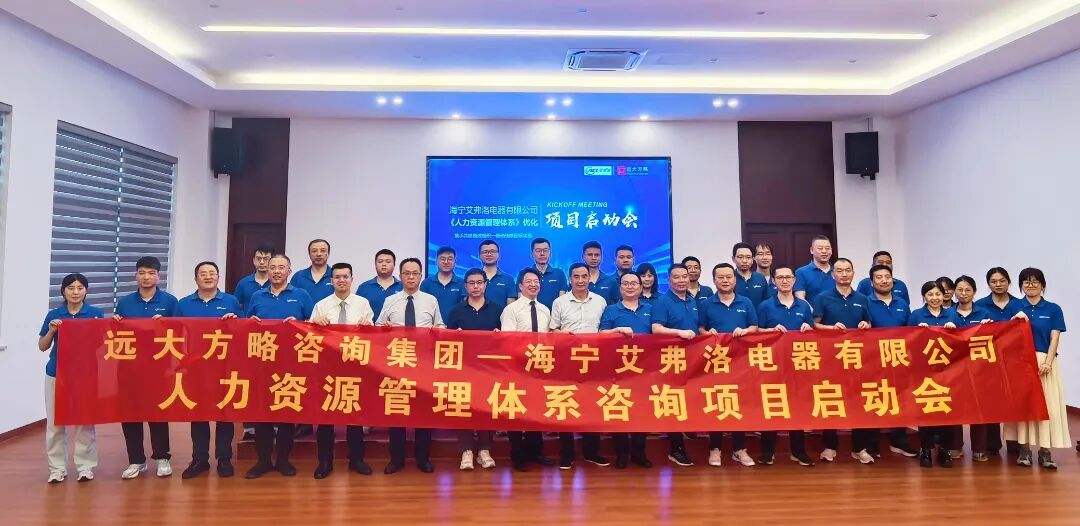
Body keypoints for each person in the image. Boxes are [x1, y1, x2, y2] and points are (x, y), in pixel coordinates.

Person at [244, 254, 314, 479]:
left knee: (286, 413)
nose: (276, 271)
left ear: (289, 271)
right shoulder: (257, 296)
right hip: (262, 363)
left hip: (291, 364)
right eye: (272, 267)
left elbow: (313, 326)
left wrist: (299, 325)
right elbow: (246, 326)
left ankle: (283, 460)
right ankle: (263, 461)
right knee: (262, 415)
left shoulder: (301, 295)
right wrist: (250, 323)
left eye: (281, 267)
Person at [175, 262, 242, 479]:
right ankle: (199, 459)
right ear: (196, 279)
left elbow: (243, 332)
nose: (208, 277)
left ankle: (224, 458)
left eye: (212, 273)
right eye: (203, 274)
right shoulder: (184, 304)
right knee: (198, 413)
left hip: (224, 365)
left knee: (224, 412)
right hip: (194, 367)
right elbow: (173, 333)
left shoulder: (231, 301)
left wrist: (235, 321)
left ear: (218, 277)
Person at [378, 258, 445, 474]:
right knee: (397, 410)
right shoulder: (390, 300)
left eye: (415, 273)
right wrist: (384, 327)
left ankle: (422, 458)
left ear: (421, 276)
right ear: (400, 275)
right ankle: (396, 459)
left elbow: (440, 326)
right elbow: (377, 326)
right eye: (406, 273)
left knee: (423, 413)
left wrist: (438, 330)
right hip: (397, 362)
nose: (410, 277)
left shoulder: (431, 300)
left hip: (423, 364)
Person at [113, 256, 178, 479]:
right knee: (130, 412)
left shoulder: (170, 301)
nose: (146, 277)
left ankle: (162, 457)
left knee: (157, 412)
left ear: (158, 276)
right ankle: (136, 460)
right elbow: (116, 334)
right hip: (129, 366)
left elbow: (180, 332)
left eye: (151, 273)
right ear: (136, 276)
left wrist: (166, 325)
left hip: (158, 366)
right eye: (142, 273)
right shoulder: (125, 303)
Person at [309, 262, 375, 479]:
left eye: (346, 276)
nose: (342, 280)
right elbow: (309, 334)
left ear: (352, 279)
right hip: (328, 369)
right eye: (337, 277)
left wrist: (369, 326)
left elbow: (373, 335)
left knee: (354, 417)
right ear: (331, 281)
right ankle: (324, 462)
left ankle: (357, 460)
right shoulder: (321, 305)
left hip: (354, 368)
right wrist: (314, 322)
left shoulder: (363, 304)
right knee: (326, 419)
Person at [39, 273, 103, 483]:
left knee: (85, 422)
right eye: (71, 288)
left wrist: (99, 330)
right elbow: (42, 346)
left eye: (80, 288)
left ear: (86, 290)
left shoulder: (95, 314)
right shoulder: (54, 314)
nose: (75, 292)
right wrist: (51, 331)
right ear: (63, 291)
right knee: (55, 423)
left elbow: (103, 346)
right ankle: (57, 468)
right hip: (56, 374)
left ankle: (85, 466)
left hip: (85, 375)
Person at [811, 258, 875, 465]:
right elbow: (814, 325)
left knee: (859, 401)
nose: (844, 274)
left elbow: (870, 323)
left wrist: (866, 325)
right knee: (831, 399)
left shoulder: (863, 298)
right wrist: (830, 328)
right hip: (831, 358)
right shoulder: (823, 297)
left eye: (848, 270)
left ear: (853, 273)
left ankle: (859, 448)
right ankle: (829, 446)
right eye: (839, 271)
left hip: (856, 358)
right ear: (833, 275)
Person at [1005, 268, 1070, 469]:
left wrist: (1048, 362)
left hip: (1044, 362)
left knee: (1047, 406)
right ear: (1021, 286)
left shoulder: (1053, 309)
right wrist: (1014, 320)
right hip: (1020, 362)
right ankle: (1024, 450)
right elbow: (1005, 334)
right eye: (1026, 282)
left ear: (1042, 285)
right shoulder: (1014, 306)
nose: (1030, 285)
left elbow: (1054, 337)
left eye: (1035, 282)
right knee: (1024, 406)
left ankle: (1045, 452)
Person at [550, 262, 610, 469]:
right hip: (567, 360)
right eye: (576, 276)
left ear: (589, 278)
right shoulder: (559, 302)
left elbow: (604, 330)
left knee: (592, 405)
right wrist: (561, 334)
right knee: (566, 404)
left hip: (593, 360)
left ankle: (592, 452)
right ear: (570, 279)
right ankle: (567, 454)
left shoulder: (600, 301)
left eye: (584, 276)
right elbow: (552, 330)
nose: (581, 280)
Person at [698, 263, 759, 467]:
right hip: (716, 363)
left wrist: (746, 331)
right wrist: (707, 334)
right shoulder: (706, 304)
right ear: (714, 280)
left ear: (735, 279)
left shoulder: (746, 302)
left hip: (740, 363)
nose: (725, 281)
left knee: (738, 404)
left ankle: (739, 449)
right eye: (720, 277)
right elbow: (700, 328)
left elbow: (754, 326)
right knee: (716, 403)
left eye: (729, 277)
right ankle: (715, 448)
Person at [755, 265, 815, 467]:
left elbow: (813, 332)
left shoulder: (804, 306)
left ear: (794, 280)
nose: (785, 281)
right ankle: (767, 452)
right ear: (773, 281)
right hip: (772, 365)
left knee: (797, 407)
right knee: (771, 405)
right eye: (780, 277)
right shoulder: (765, 306)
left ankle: (798, 451)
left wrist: (809, 329)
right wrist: (769, 331)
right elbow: (757, 332)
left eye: (788, 277)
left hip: (797, 365)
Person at [446, 268, 504, 470]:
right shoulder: (456, 311)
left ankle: (484, 450)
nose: (476, 286)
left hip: (489, 368)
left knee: (486, 408)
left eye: (480, 282)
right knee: (464, 407)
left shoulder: (497, 310)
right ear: (465, 286)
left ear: (486, 284)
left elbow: (506, 341)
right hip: (464, 368)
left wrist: (499, 335)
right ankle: (467, 451)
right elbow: (447, 342)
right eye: (472, 283)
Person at [500, 268, 555, 471]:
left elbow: (548, 339)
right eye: (529, 281)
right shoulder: (511, 310)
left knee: (536, 409)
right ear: (520, 285)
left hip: (539, 366)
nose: (533, 284)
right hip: (517, 367)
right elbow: (507, 339)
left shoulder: (545, 309)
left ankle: (536, 451)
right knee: (517, 410)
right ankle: (518, 455)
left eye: (536, 281)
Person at [598, 270, 653, 469]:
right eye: (626, 284)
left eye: (634, 283)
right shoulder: (611, 310)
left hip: (644, 369)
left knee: (641, 411)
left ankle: (639, 453)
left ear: (640, 287)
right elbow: (601, 334)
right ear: (620, 288)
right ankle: (621, 454)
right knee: (619, 409)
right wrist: (616, 331)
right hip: (618, 369)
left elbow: (658, 332)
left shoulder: (650, 308)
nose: (630, 287)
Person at [863, 264, 919, 459]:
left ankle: (898, 441)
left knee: (899, 399)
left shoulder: (902, 303)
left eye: (887, 277)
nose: (884, 280)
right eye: (879, 277)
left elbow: (910, 330)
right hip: (873, 359)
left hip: (898, 358)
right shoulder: (865, 302)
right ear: (872, 282)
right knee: (874, 398)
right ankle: (871, 444)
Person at [974, 267, 1028, 455]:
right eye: (994, 281)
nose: (998, 284)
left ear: (1009, 282)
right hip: (988, 360)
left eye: (1002, 281)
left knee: (1015, 400)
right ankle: (992, 443)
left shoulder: (1019, 304)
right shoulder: (980, 306)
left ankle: (1015, 442)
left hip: (1015, 359)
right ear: (988, 284)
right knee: (991, 401)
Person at [650, 263, 700, 466]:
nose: (681, 280)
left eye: (684, 276)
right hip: (671, 359)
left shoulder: (692, 300)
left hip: (692, 359)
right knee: (674, 401)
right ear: (668, 280)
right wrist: (679, 333)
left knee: (689, 399)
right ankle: (676, 448)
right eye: (676, 277)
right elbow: (656, 328)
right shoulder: (662, 301)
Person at [908, 281, 960, 468]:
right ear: (924, 297)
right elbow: (906, 342)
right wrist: (917, 332)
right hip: (924, 371)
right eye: (930, 294)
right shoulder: (916, 315)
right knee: (926, 410)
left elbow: (963, 340)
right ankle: (926, 449)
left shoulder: (952, 314)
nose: (934, 298)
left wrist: (954, 330)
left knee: (947, 411)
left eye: (938, 294)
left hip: (948, 371)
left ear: (944, 295)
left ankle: (945, 450)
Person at [951, 275, 995, 462]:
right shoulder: (948, 313)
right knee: (954, 408)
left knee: (979, 407)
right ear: (954, 292)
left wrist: (989, 327)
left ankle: (979, 448)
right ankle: (954, 446)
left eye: (968, 290)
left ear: (974, 292)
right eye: (960, 290)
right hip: (953, 369)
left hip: (978, 369)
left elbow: (993, 339)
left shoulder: (984, 314)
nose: (963, 293)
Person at [420, 246, 465, 321]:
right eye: (442, 259)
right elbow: (422, 308)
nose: (446, 262)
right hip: (432, 326)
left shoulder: (462, 283)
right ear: (436, 261)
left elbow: (465, 308)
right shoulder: (426, 283)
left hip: (456, 326)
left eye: (450, 259)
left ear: (455, 262)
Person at [356, 249, 403, 319]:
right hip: (370, 326)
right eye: (380, 261)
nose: (384, 264)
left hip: (397, 326)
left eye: (388, 261)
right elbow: (357, 312)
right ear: (375, 265)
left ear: (394, 265)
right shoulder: (363, 287)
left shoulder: (403, 287)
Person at [290, 238, 334, 303]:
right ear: (309, 254)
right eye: (314, 251)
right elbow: (291, 301)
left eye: (323, 250)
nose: (318, 254)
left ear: (328, 253)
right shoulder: (298, 276)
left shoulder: (336, 276)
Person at [795, 235, 835, 302]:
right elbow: (800, 298)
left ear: (831, 250)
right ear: (811, 250)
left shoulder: (838, 271)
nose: (824, 251)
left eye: (827, 248)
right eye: (820, 248)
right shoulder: (801, 272)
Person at [234, 244, 274, 311]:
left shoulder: (276, 283)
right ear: (254, 260)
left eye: (265, 259)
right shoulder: (243, 283)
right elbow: (236, 308)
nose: (262, 262)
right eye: (258, 259)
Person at [530, 237, 567, 309]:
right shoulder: (525, 274)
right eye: (538, 251)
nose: (542, 254)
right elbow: (522, 300)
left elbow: (561, 301)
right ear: (532, 254)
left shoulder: (559, 273)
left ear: (550, 253)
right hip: (532, 314)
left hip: (555, 314)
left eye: (545, 250)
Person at [478, 239, 517, 306]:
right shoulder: (473, 279)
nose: (489, 254)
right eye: (485, 252)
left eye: (493, 251)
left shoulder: (508, 279)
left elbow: (511, 308)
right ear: (479, 255)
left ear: (498, 255)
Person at [732, 242, 769, 307]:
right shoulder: (729, 278)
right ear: (733, 259)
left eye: (748, 257)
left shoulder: (760, 278)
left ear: (753, 259)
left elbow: (767, 302)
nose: (744, 261)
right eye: (740, 257)